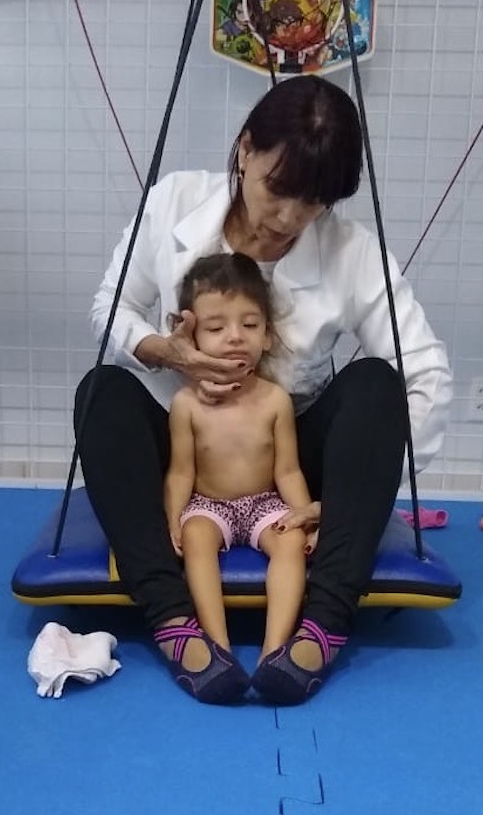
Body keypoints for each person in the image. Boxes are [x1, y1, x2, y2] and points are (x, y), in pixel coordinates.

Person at [75, 74, 452, 706]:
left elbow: (425, 368)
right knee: (101, 393)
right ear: (245, 149)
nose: (288, 218)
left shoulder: (351, 251)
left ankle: (323, 625)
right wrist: (163, 350)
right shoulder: (175, 202)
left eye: (314, 202)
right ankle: (173, 619)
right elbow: (110, 309)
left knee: (376, 384)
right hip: (187, 446)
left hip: (286, 460)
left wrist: (362, 494)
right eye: (278, 189)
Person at [164, 252, 317, 675]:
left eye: (249, 325)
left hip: (265, 503)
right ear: (192, 338)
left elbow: (288, 470)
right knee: (196, 537)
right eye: (216, 328)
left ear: (267, 335)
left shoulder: (275, 400)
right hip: (209, 505)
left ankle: (274, 647)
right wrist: (174, 519)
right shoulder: (186, 405)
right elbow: (181, 471)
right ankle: (218, 644)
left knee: (289, 542)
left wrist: (304, 515)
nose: (235, 337)